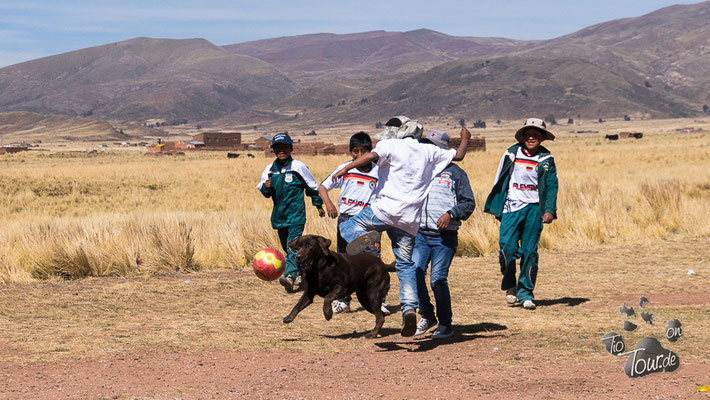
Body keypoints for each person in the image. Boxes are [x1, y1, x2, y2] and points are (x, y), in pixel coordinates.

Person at [332, 125, 471, 337]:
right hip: (410, 222)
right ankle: (408, 309)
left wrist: (346, 168)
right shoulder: (429, 153)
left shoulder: (392, 145)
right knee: (407, 266)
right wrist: (465, 137)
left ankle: (367, 248)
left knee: (347, 226)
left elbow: (370, 156)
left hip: (386, 211)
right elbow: (459, 155)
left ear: (400, 133)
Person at [483, 118, 558, 310]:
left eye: (536, 134)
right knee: (506, 248)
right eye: (528, 134)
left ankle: (526, 293)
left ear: (542, 137)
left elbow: (551, 185)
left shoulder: (546, 158)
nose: (531, 137)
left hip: (534, 209)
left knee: (529, 252)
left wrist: (549, 210)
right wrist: (497, 205)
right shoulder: (511, 153)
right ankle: (510, 284)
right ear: (523, 136)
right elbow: (499, 178)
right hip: (512, 207)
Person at [412, 130, 475, 339]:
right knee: (415, 272)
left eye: (431, 146)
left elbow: (468, 203)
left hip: (444, 238)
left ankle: (446, 324)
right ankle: (428, 315)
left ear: (443, 151)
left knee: (438, 279)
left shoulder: (456, 173)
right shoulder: (420, 171)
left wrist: (451, 213)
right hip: (420, 234)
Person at [318, 132, 390, 315]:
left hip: (369, 222)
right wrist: (328, 203)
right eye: (355, 151)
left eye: (363, 151)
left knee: (374, 261)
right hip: (346, 220)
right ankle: (343, 300)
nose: (359, 155)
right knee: (344, 260)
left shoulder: (378, 171)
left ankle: (379, 299)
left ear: (370, 151)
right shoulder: (345, 169)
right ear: (351, 152)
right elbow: (323, 187)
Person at [257, 133, 325, 292]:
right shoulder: (269, 170)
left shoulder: (298, 167)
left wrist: (319, 205)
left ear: (291, 148)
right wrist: (266, 188)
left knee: (292, 248)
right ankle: (303, 275)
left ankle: (289, 276)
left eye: (285, 147)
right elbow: (265, 193)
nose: (281, 150)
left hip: (296, 215)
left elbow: (312, 188)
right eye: (278, 148)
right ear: (273, 150)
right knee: (288, 247)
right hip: (279, 216)